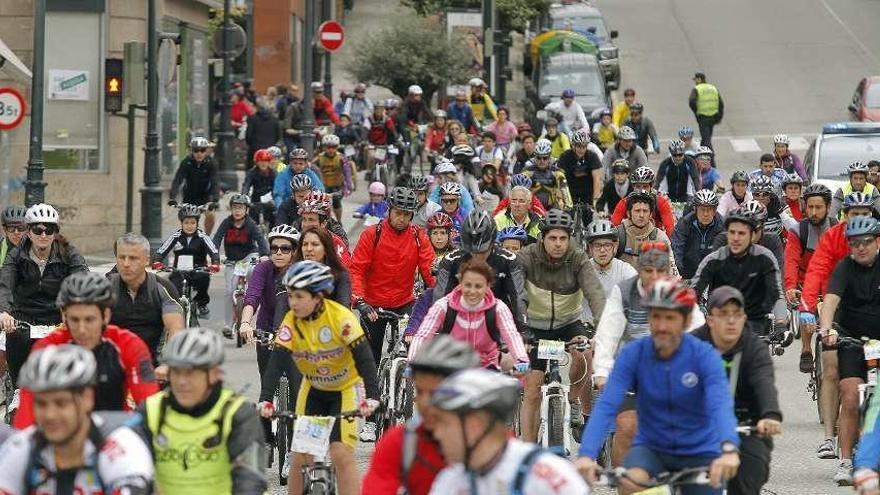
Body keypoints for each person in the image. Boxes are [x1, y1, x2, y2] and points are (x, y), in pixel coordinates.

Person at [578, 277, 740, 495]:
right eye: (655, 317)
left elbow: (721, 405)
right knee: (629, 483)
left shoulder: (704, 355)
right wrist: (587, 455)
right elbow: (607, 405)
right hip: (651, 449)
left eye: (670, 318)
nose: (661, 326)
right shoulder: (633, 355)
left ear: (685, 321)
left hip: (700, 450)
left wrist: (729, 448)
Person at [258, 261, 379, 495]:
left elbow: (365, 360)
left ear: (318, 296)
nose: (292, 303)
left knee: (340, 453)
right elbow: (277, 361)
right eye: (290, 296)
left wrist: (373, 398)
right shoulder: (291, 321)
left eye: (299, 296)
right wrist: (265, 399)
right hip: (313, 389)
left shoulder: (341, 319)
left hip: (345, 390)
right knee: (301, 455)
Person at [592, 245, 705, 466]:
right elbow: (607, 333)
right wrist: (603, 372)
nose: (654, 277)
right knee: (626, 426)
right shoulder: (623, 291)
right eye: (648, 271)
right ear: (639, 271)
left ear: (668, 273)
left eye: (659, 271)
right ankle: (623, 483)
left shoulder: (680, 293)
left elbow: (699, 331)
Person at [13, 271, 159, 429]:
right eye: (74, 320)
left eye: (90, 319)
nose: (82, 330)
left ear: (106, 316)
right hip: (61, 436)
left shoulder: (129, 345)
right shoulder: (47, 348)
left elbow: (150, 407)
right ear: (64, 316)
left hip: (113, 434)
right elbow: (27, 412)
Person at [0, 345, 154, 494]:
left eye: (61, 403)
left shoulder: (121, 448)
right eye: (41, 404)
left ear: (87, 398)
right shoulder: (23, 446)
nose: (50, 415)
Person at [350, 187, 435, 438]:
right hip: (373, 305)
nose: (402, 219)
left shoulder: (419, 236)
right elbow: (356, 270)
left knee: (413, 354)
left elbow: (430, 271)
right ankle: (370, 420)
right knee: (371, 361)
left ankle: (412, 409)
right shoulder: (372, 235)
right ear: (389, 211)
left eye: (407, 214)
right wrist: (360, 301)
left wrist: (438, 298)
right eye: (398, 213)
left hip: (405, 301)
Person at [139, 328, 267, 494]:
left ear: (213, 374)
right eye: (176, 372)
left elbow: (250, 479)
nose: (181, 382)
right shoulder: (151, 410)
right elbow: (130, 471)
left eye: (190, 373)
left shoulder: (236, 413)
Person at [518, 209, 606, 441]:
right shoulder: (526, 257)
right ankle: (527, 448)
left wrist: (603, 329)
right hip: (534, 328)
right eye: (553, 238)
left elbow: (595, 294)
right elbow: (517, 296)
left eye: (563, 238)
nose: (558, 244)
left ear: (570, 239)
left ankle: (573, 400)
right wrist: (520, 329)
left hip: (568, 325)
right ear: (542, 238)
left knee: (585, 355)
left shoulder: (578, 259)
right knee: (532, 388)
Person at [428, 368, 589, 494]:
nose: (436, 434)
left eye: (445, 424)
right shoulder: (451, 480)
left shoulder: (548, 475)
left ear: (474, 424)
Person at [692, 286, 783, 495]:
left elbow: (764, 382)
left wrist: (770, 415)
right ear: (710, 319)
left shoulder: (754, 348)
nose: (731, 321)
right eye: (724, 314)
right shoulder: (694, 344)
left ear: (744, 318)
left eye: (736, 314)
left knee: (748, 478)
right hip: (700, 427)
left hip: (748, 428)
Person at [362, 336, 479, 495]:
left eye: (435, 393)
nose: (424, 402)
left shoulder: (493, 444)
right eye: (420, 392)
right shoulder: (398, 443)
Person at [813, 216, 880, 485]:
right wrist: (826, 329)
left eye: (865, 242)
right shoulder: (844, 267)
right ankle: (845, 461)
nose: (860, 248)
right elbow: (830, 301)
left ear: (876, 241)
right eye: (854, 244)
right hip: (852, 341)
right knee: (851, 395)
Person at [0, 203, 88, 386]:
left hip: (57, 315)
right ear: (29, 231)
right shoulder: (16, 255)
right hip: (24, 316)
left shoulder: (69, 253)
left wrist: (73, 309)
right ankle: (18, 389)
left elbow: (81, 282)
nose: (43, 235)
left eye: (49, 230)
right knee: (15, 337)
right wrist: (4, 312)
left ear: (55, 232)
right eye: (37, 229)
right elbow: (5, 285)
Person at [236, 224, 299, 449]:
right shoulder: (263, 269)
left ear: (294, 251)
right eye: (274, 249)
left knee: (298, 390)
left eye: (285, 248)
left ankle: (295, 436)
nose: (278, 253)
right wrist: (245, 323)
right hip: (266, 330)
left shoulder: (301, 271)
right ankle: (266, 437)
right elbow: (252, 297)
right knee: (267, 388)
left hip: (295, 335)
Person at [411, 259, 529, 370]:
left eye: (478, 286)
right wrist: (412, 362)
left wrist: (522, 360)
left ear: (488, 286)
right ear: (460, 283)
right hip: (451, 369)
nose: (472, 291)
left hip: (487, 369)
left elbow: (511, 335)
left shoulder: (498, 308)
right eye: (468, 285)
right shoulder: (443, 306)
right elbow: (423, 335)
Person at [692, 207, 788, 335]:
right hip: (721, 325)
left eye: (742, 233)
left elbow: (776, 294)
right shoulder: (712, 260)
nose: (735, 238)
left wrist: (780, 323)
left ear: (752, 235)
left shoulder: (766, 257)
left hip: (755, 327)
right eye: (732, 232)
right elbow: (693, 293)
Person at [434, 209, 527, 327]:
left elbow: (518, 296)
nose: (477, 256)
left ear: (493, 243)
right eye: (472, 251)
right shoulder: (451, 260)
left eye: (483, 251)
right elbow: (440, 296)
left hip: (497, 321)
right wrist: (440, 326)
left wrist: (523, 327)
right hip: (461, 322)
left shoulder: (508, 260)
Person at [108, 233, 184, 368]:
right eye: (121, 257)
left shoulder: (162, 288)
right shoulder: (105, 288)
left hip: (151, 368)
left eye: (133, 258)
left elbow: (175, 329)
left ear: (146, 260)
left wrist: (167, 364)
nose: (126, 264)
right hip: (113, 367)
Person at [783, 183, 835, 373]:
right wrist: (790, 287)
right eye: (810, 207)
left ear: (828, 208)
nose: (813, 212)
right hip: (806, 282)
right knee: (808, 309)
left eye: (818, 207)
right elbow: (791, 261)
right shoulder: (798, 231)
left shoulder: (838, 229)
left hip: (832, 282)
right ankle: (806, 350)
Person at [212, 194, 269, 335]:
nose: (237, 211)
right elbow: (217, 238)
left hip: (248, 257)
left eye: (241, 208)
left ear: (247, 210)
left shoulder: (251, 224)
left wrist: (264, 255)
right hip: (232, 261)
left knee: (252, 271)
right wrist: (214, 255)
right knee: (229, 291)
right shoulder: (226, 223)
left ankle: (250, 293)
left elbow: (260, 240)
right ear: (231, 209)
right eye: (235, 208)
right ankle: (228, 324)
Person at [154, 204, 221, 317]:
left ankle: (202, 304)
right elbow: (162, 250)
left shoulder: (202, 236)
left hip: (197, 270)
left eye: (192, 223)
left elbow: (213, 251)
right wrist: (157, 261)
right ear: (181, 223)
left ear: (197, 223)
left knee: (204, 278)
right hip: (179, 271)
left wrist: (215, 263)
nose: (189, 226)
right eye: (186, 223)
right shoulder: (176, 236)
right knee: (173, 290)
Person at [168, 136, 221, 234]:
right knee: (188, 221)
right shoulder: (186, 162)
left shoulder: (211, 163)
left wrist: (215, 199)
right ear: (192, 150)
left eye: (202, 150)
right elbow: (178, 179)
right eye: (196, 150)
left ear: (207, 150)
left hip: (205, 197)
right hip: (189, 196)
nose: (199, 153)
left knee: (211, 216)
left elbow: (215, 181)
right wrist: (172, 197)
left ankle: (207, 237)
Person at [615, 192, 675, 272]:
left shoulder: (659, 236)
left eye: (645, 211)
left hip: (649, 282)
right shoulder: (617, 235)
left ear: (650, 215)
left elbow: (671, 268)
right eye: (637, 211)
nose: (641, 215)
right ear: (628, 214)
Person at [671, 190, 724, 279]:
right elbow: (676, 250)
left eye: (709, 210)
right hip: (687, 274)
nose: (705, 214)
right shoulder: (684, 223)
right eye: (702, 210)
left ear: (714, 211)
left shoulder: (722, 225)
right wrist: (678, 275)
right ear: (695, 210)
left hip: (713, 275)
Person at [611, 167, 676, 237]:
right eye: (638, 186)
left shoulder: (661, 202)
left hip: (655, 238)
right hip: (631, 237)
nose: (642, 190)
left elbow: (670, 228)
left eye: (645, 186)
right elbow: (614, 225)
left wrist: (668, 245)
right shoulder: (625, 202)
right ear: (633, 187)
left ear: (651, 186)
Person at [298, 192, 352, 265]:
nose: (306, 225)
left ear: (324, 223)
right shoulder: (296, 236)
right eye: (304, 219)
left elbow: (345, 270)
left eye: (311, 220)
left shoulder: (336, 242)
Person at [586, 219, 638, 296]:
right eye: (597, 245)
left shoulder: (625, 270)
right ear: (590, 248)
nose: (602, 250)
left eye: (607, 245)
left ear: (615, 247)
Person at [558, 129, 603, 210]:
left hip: (587, 193)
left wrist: (595, 200)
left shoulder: (592, 156)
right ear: (573, 145)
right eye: (579, 146)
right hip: (570, 192)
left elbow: (597, 179)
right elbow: (560, 179)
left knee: (588, 218)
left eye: (584, 147)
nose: (582, 150)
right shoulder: (565, 157)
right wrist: (561, 199)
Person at [314, 133, 355, 222]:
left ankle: (339, 221)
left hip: (337, 185)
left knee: (336, 202)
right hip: (324, 185)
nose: (331, 150)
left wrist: (349, 185)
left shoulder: (341, 158)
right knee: (322, 204)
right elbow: (312, 170)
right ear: (324, 147)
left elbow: (347, 172)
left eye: (333, 147)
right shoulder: (319, 158)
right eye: (328, 147)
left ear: (337, 147)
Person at [523, 139, 572, 210]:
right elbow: (520, 193)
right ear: (535, 158)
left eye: (545, 158)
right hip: (532, 209)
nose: (542, 161)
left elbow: (565, 191)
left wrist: (569, 207)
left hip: (552, 209)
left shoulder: (558, 173)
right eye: (539, 158)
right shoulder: (527, 172)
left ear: (549, 158)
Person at [242, 149, 277, 227]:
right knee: (251, 223)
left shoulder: (273, 173)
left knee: (275, 218)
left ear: (269, 162)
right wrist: (244, 196)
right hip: (256, 201)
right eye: (260, 161)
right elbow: (246, 185)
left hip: (270, 201)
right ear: (257, 162)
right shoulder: (252, 172)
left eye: (266, 161)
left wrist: (276, 199)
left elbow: (277, 188)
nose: (263, 163)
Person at [689, 72, 724, 149]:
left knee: (706, 140)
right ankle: (702, 155)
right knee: (706, 138)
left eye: (695, 80)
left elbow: (691, 102)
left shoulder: (697, 89)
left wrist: (696, 112)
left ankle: (711, 159)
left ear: (699, 79)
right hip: (713, 117)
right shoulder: (713, 88)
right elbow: (721, 104)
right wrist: (719, 117)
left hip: (703, 117)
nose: (695, 82)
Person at [244, 98, 281, 170]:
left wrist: (251, 144)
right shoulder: (275, 120)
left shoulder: (252, 118)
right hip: (270, 148)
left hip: (255, 148)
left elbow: (248, 135)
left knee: (253, 169)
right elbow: (278, 135)